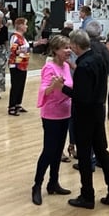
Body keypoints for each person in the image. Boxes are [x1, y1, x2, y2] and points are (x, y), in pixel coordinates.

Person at [51, 30, 109, 209]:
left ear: (75, 46)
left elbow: (80, 96)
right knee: (102, 151)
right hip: (99, 111)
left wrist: (62, 88)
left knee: (84, 155)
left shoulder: (83, 66)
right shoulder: (98, 58)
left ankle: (87, 195)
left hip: (85, 115)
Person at [31, 35, 73, 205]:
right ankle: (37, 185)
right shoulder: (49, 68)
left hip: (66, 112)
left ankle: (53, 182)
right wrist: (53, 86)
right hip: (52, 115)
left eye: (69, 47)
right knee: (49, 151)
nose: (69, 50)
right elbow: (44, 91)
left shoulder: (66, 66)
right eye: (65, 48)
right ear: (56, 50)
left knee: (58, 150)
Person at [7, 18, 31, 116]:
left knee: (21, 85)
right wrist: (23, 50)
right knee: (16, 85)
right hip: (16, 64)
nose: (26, 26)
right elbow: (14, 50)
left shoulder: (22, 37)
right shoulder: (15, 37)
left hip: (23, 64)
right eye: (25, 24)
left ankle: (18, 104)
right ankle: (11, 106)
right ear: (20, 25)